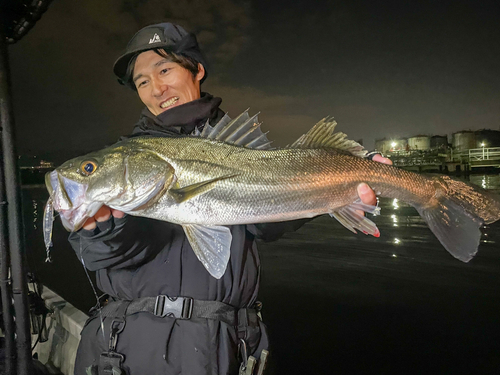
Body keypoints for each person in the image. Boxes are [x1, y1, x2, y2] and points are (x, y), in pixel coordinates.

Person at [69, 23, 392, 375]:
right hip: (126, 348)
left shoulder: (240, 144)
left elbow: (265, 223)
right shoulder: (124, 161)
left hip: (218, 346)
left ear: (197, 70)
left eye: (164, 70)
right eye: (142, 81)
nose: (156, 89)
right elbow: (96, 255)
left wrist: (337, 191)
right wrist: (102, 231)